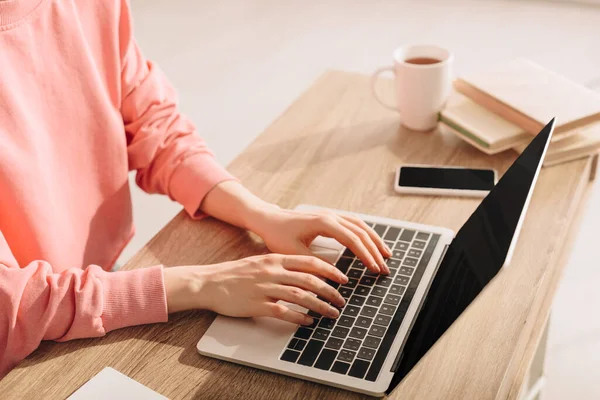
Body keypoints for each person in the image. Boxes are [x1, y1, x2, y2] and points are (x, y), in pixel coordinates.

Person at [0, 0, 392, 378]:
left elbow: (157, 127)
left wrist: (261, 214)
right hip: (21, 351)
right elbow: (15, 306)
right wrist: (204, 283)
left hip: (101, 280)